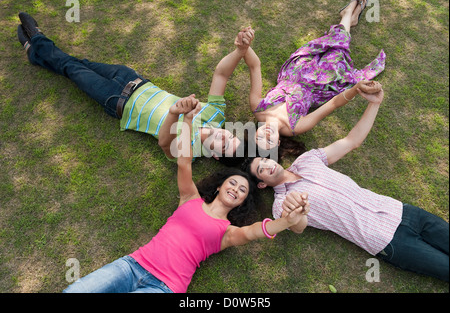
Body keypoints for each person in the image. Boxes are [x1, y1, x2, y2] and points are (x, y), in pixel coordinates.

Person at [63, 100, 309, 293]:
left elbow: (257, 231)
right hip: (132, 265)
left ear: (242, 202)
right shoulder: (190, 198)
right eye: (232, 183)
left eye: (242, 190)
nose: (235, 189)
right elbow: (183, 161)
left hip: (164, 287)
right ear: (219, 186)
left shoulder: (228, 232)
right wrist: (188, 120)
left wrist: (287, 221)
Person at [243, 83, 449, 282]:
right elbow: (297, 227)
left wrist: (374, 103)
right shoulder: (282, 203)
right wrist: (298, 213)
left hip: (402, 211)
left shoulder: (306, 160)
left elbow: (351, 141)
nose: (267, 165)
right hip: (387, 240)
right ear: (262, 184)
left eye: (264, 160)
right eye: (261, 170)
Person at [17, 12, 255, 164]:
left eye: (223, 145)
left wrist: (176, 112)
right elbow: (222, 75)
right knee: (82, 63)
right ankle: (35, 54)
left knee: (72, 68)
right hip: (133, 79)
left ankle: (36, 38)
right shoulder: (216, 115)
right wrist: (239, 52)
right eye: (230, 136)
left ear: (215, 154)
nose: (223, 135)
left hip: (116, 101)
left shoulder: (189, 152)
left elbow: (164, 143)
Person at [242, 0, 385, 155]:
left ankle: (349, 18)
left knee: (326, 46)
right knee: (336, 53)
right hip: (320, 84)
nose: (266, 135)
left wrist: (244, 46)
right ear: (278, 142)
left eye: (259, 138)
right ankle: (348, 15)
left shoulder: (257, 107)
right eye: (269, 142)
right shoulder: (295, 127)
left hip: (296, 70)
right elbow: (333, 105)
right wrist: (356, 88)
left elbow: (255, 67)